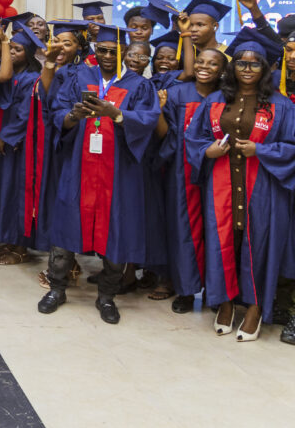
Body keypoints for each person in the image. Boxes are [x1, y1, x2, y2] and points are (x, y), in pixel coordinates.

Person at [38, 24, 159, 325]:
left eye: (113, 51)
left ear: (124, 52)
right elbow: (57, 113)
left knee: (116, 231)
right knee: (67, 226)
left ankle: (106, 296)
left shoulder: (138, 85)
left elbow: (148, 120)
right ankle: (57, 288)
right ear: (95, 50)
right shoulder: (79, 76)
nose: (107, 56)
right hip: (78, 168)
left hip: (118, 174)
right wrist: (73, 116)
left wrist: (115, 113)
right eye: (102, 50)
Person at [184, 29, 295, 341]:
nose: (247, 69)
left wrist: (260, 150)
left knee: (259, 245)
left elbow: (292, 146)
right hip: (221, 184)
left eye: (255, 63)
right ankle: (225, 302)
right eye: (241, 63)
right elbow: (194, 137)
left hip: (264, 188)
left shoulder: (282, 105)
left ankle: (255, 308)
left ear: (265, 68)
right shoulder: (216, 100)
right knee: (224, 243)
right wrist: (207, 150)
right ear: (233, 67)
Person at [155, 47, 227, 314]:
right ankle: (186, 290)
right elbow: (165, 136)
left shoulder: (227, 96)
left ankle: (215, 293)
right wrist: (159, 112)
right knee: (186, 230)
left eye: (212, 63)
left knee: (217, 232)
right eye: (200, 61)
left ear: (222, 70)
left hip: (218, 171)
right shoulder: (176, 94)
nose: (204, 67)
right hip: (182, 170)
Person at [0, 24, 46, 265]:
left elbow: (26, 115)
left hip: (22, 147)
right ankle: (10, 241)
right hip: (10, 145)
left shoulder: (32, 79)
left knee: (20, 194)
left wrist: (6, 137)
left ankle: (21, 247)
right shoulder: (12, 75)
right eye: (10, 48)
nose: (12, 53)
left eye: (18, 49)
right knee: (7, 192)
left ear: (29, 54)